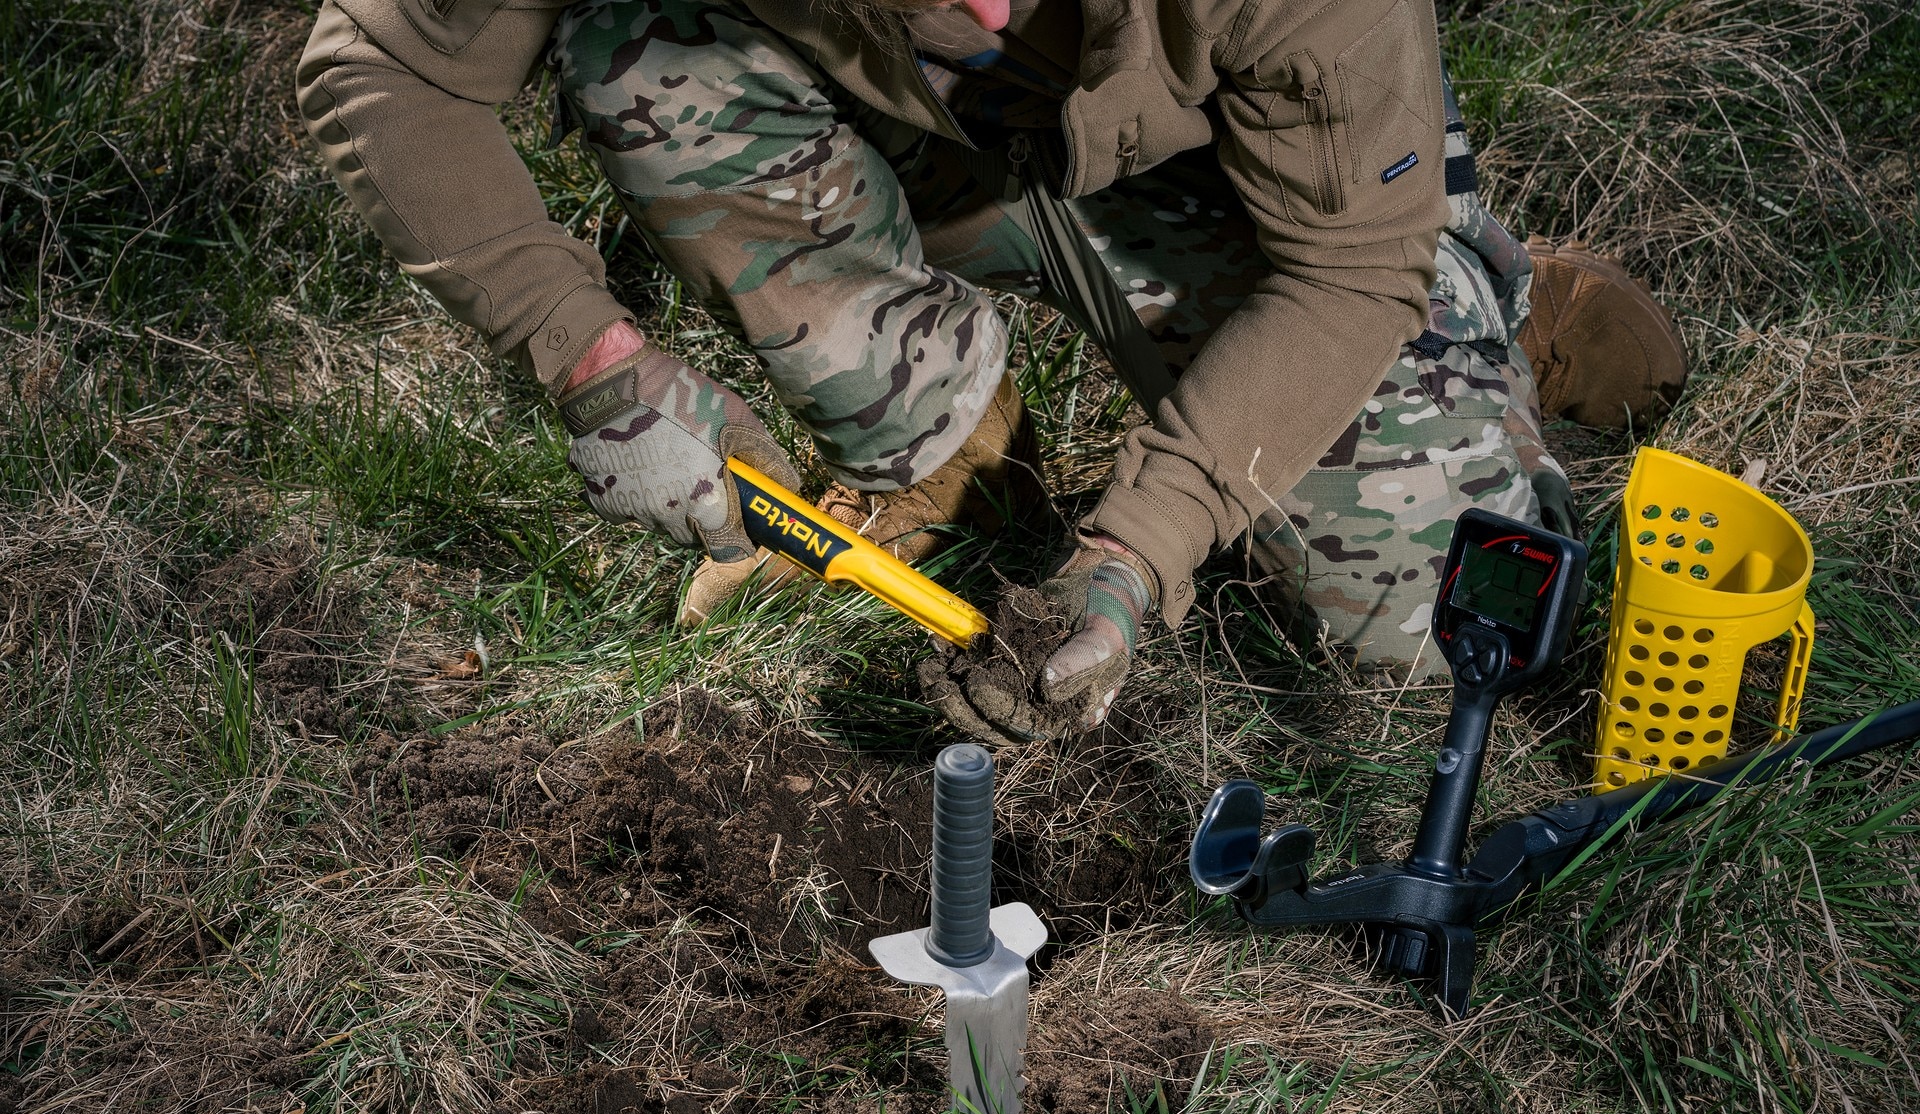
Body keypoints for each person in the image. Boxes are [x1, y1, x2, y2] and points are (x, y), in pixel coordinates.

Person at [297, 0, 1687, 742]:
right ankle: (936, 453)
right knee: (644, 45)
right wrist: (593, 357)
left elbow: (1340, 274)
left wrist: (1140, 550)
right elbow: (386, 61)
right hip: (917, 144)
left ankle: (1496, 295)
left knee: (1425, 624)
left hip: (1251, 200)